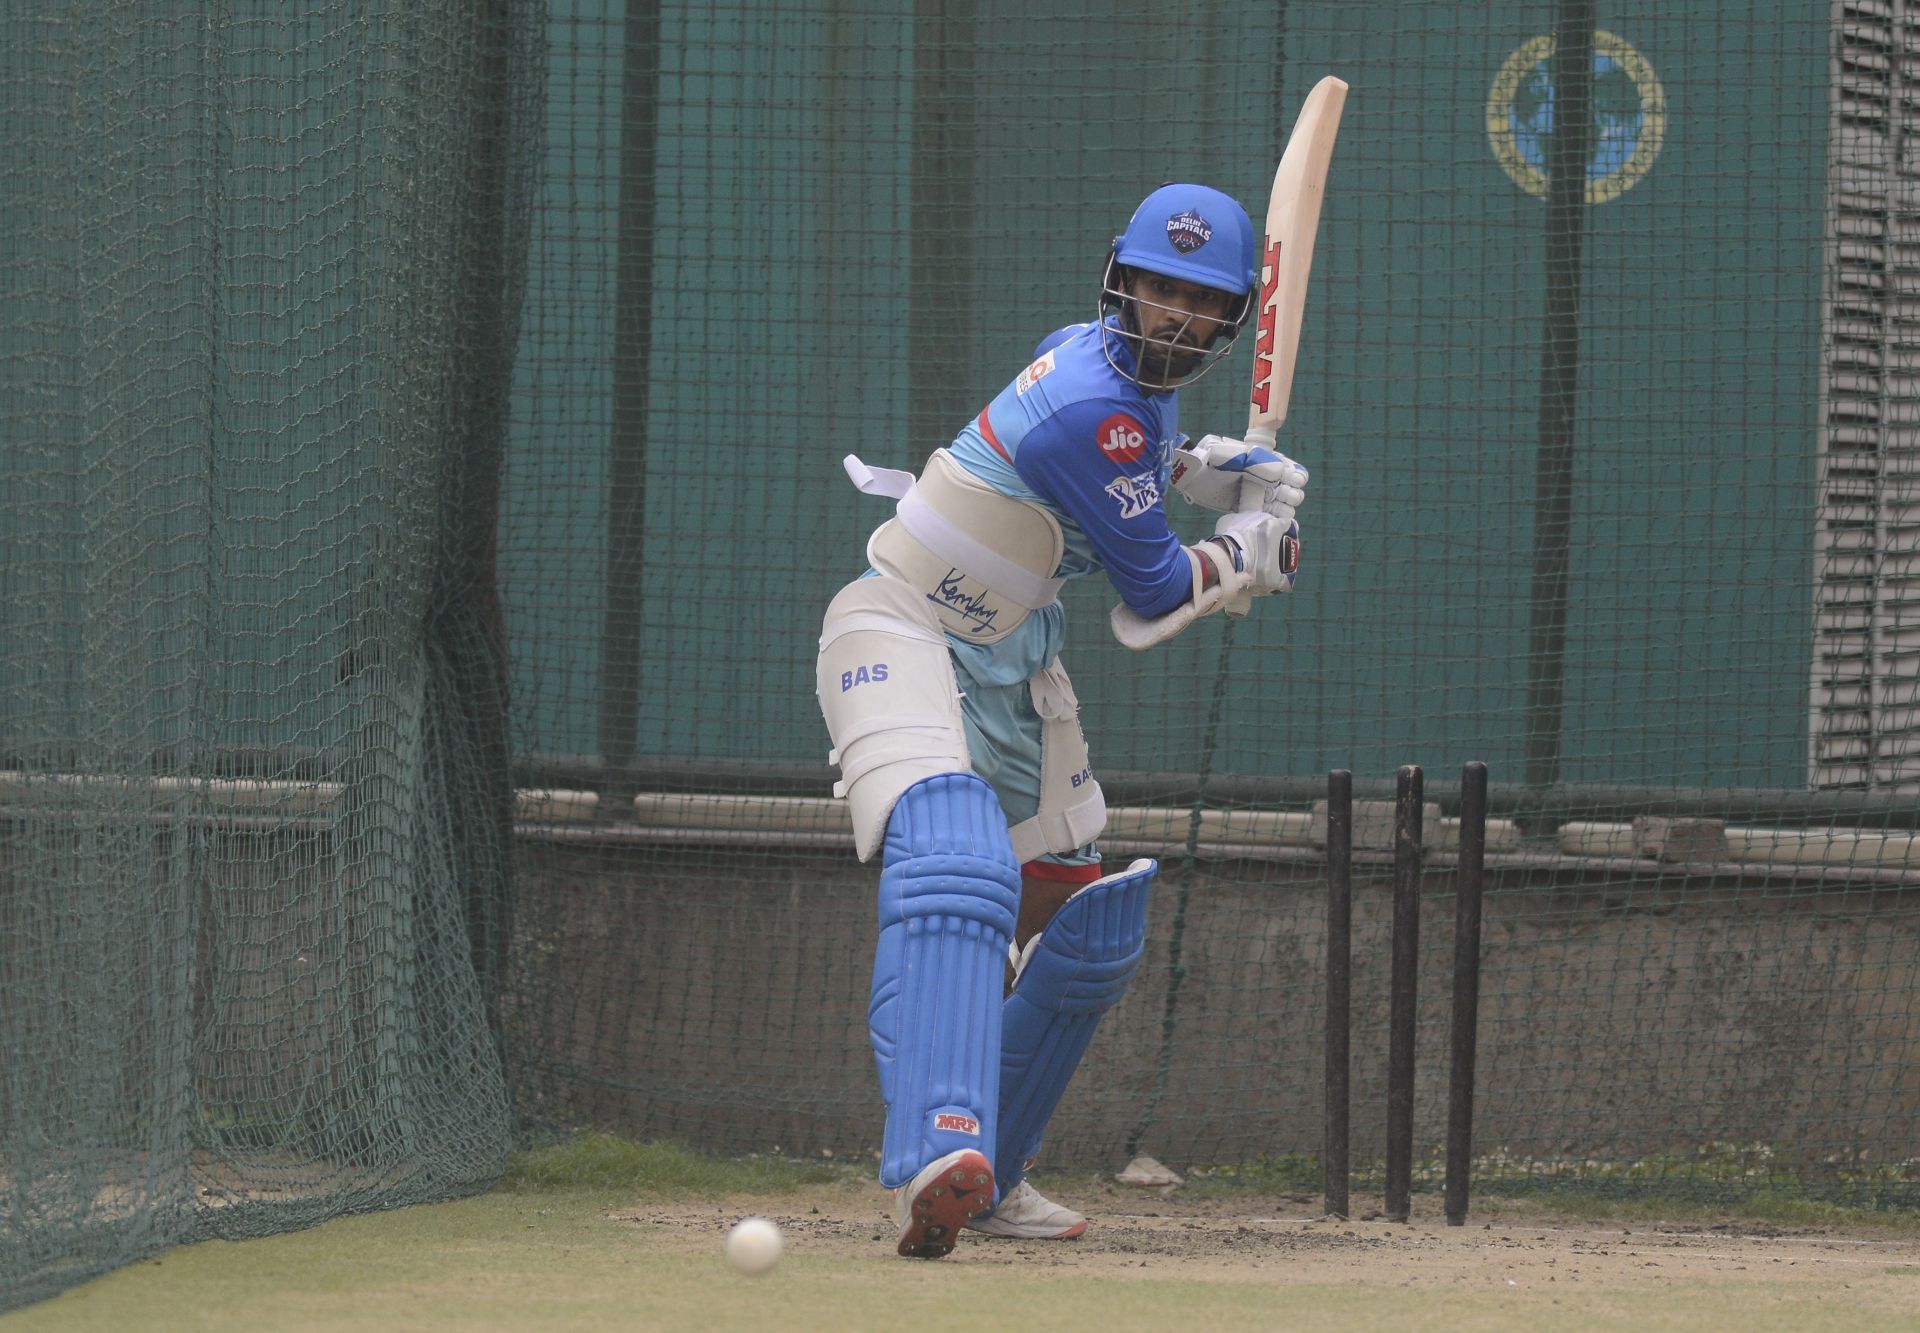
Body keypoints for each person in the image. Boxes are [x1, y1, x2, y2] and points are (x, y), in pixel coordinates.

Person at [816, 182, 1308, 1259]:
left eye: (1201, 298)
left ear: (1231, 319)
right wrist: (1249, 552)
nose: (1175, 313)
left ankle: (991, 1174)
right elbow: (1155, 595)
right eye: (1158, 288)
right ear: (1121, 282)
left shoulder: (1112, 377)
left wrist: (1210, 476)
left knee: (1082, 924)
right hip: (900, 629)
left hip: (1009, 662)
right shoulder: (1098, 404)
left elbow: (1139, 462)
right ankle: (932, 1150)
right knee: (957, 865)